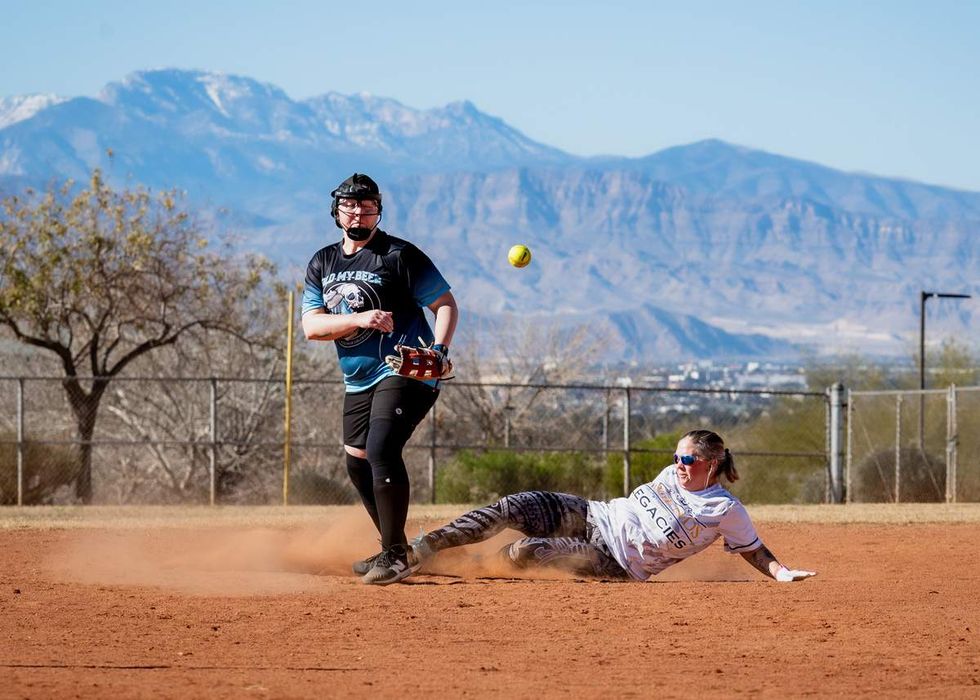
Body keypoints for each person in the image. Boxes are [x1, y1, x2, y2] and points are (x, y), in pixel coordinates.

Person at [302, 173, 458, 586]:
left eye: (367, 206)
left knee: (380, 448)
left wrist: (438, 351)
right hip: (358, 379)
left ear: (378, 212)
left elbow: (445, 304)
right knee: (357, 464)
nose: (358, 212)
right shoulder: (323, 262)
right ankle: (396, 546)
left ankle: (395, 557)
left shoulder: (398, 255)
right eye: (350, 205)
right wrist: (359, 318)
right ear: (336, 211)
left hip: (404, 367)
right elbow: (311, 328)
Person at [411, 429, 816, 583]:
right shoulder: (669, 473)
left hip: (616, 560)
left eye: (688, 460)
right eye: (676, 457)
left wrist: (780, 574)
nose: (678, 464)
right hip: (593, 514)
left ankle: (464, 566)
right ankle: (425, 547)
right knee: (516, 504)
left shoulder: (724, 509)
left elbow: (753, 549)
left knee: (529, 550)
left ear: (711, 464)